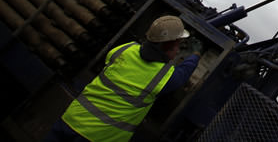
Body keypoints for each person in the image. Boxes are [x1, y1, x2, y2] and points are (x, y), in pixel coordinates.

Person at [45, 15, 203, 142]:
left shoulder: (124, 49)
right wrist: (195, 54)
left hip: (70, 120)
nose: (177, 52)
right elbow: (183, 73)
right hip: (98, 137)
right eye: (178, 46)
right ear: (168, 46)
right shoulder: (163, 77)